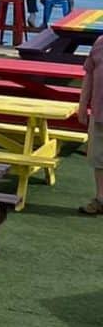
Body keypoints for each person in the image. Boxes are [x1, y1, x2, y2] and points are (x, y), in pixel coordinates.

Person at [76, 35, 103, 215]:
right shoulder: (100, 42)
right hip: (99, 111)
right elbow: (89, 76)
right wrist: (82, 105)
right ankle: (101, 199)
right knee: (98, 158)